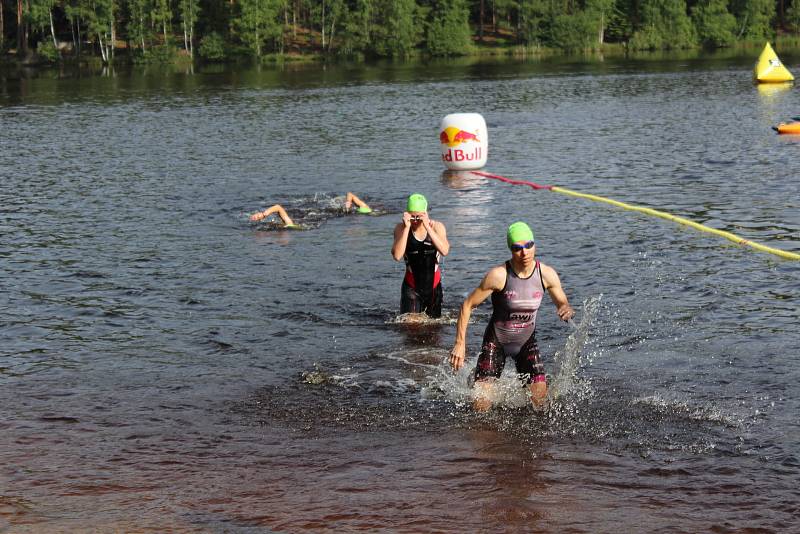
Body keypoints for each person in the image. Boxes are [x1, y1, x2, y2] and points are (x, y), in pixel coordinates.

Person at [449, 222, 575, 410]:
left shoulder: (546, 274)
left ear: (535, 244)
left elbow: (563, 302)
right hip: (496, 341)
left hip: (526, 342)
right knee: (480, 407)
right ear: (511, 249)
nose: (524, 253)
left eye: (528, 245)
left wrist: (566, 309)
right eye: (518, 248)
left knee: (540, 403)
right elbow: (467, 305)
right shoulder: (499, 275)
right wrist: (460, 343)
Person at [391, 193, 450, 318]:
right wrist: (407, 228)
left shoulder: (437, 227)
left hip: (434, 286)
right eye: (413, 217)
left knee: (434, 330)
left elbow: (445, 251)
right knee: (410, 330)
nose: (416, 221)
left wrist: (428, 227)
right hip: (411, 287)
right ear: (407, 214)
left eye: (419, 217)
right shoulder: (400, 228)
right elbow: (397, 255)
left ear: (425, 213)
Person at [249, 192, 372, 226]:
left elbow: (278, 207)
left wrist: (263, 215)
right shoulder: (367, 210)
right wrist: (348, 202)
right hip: (313, 216)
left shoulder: (290, 226)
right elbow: (349, 194)